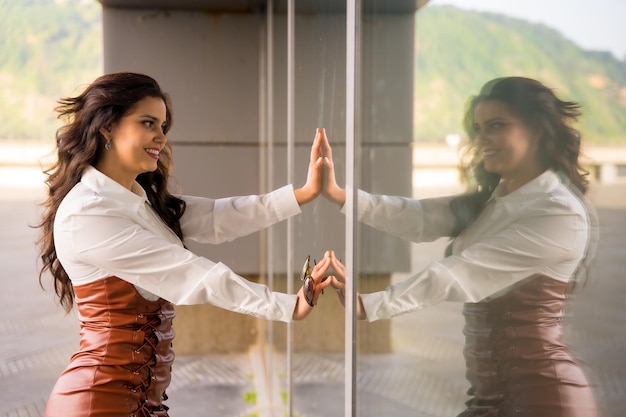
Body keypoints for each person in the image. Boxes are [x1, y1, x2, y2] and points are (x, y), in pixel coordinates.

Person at [36, 72, 333, 417]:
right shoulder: (87, 214)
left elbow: (220, 216)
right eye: (148, 123)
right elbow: (193, 275)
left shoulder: (138, 200)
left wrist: (304, 194)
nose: (160, 138)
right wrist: (286, 307)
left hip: (140, 405)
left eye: (163, 127)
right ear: (107, 127)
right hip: (97, 404)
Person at [320, 77, 599, 417]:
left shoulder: (557, 212)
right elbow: (418, 215)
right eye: (478, 128)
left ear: (537, 131)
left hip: (542, 398)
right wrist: (338, 195)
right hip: (489, 399)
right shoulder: (496, 200)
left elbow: (458, 273)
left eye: (496, 126)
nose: (482, 140)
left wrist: (370, 304)